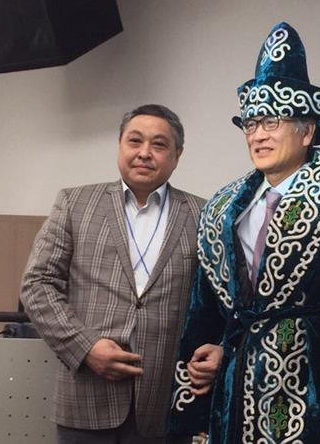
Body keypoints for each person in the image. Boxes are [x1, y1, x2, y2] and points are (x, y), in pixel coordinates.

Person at [168, 22, 320, 443]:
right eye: (250, 124)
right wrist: (206, 361)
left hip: (307, 384)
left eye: (271, 122)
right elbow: (206, 309)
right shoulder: (222, 208)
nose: (258, 135)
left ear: (307, 131)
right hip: (234, 389)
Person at [21, 104, 204, 444]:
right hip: (86, 397)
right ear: (120, 145)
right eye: (134, 141)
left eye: (159, 144)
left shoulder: (203, 214)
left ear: (177, 155)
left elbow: (218, 301)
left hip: (166, 402)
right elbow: (37, 285)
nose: (144, 153)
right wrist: (85, 346)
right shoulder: (75, 204)